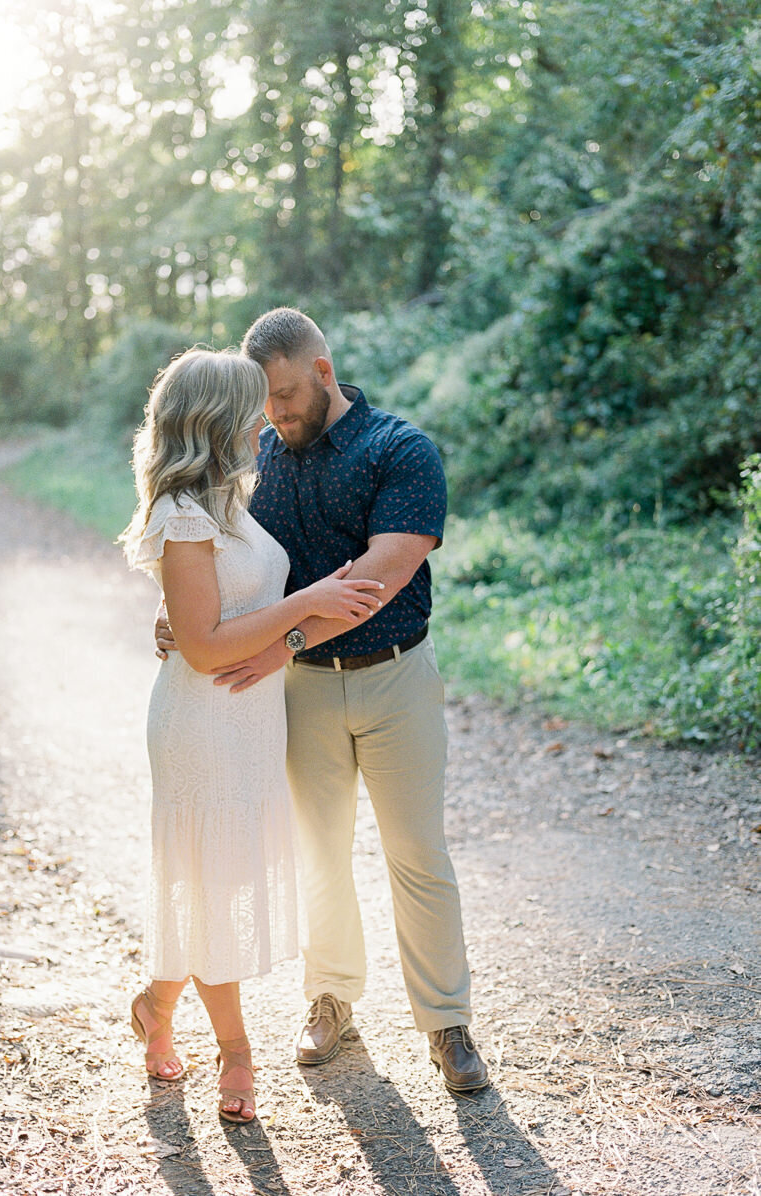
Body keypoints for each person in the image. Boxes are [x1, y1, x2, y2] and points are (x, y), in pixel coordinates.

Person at [155, 309, 489, 1095]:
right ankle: (331, 1000)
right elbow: (214, 555)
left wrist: (286, 642)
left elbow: (379, 573)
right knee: (319, 852)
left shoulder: (400, 450)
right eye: (262, 400)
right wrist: (181, 614)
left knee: (417, 854)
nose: (274, 413)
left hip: (395, 673)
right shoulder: (251, 458)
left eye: (285, 394)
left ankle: (447, 1024)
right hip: (294, 692)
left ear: (325, 372)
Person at [121, 347, 383, 1123]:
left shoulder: (232, 498)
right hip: (201, 722)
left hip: (251, 717)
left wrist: (274, 614)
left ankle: (155, 1003)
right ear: (217, 419)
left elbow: (211, 615)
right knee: (212, 886)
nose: (265, 418)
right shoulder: (181, 512)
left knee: (216, 883)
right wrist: (311, 600)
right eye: (251, 406)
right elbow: (203, 645)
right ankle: (236, 1054)